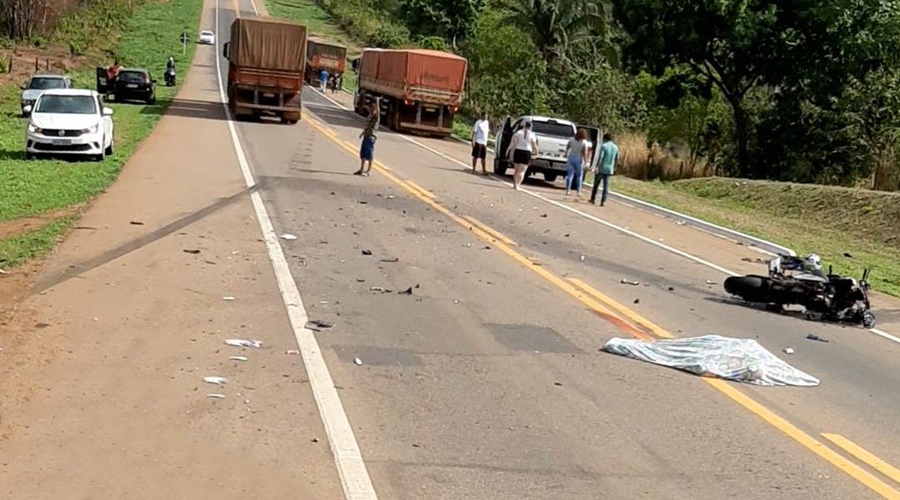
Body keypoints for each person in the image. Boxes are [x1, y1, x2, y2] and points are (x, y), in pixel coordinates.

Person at [506, 121, 539, 190]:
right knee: (522, 171)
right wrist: (536, 152)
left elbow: (513, 143)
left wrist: (508, 150)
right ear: (530, 127)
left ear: (524, 126)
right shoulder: (532, 135)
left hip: (518, 151)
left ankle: (515, 183)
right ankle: (518, 184)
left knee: (516, 170)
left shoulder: (518, 133)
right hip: (526, 152)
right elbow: (534, 145)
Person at [590, 132, 619, 206]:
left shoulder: (604, 146)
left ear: (605, 139)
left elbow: (601, 158)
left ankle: (593, 198)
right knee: (606, 186)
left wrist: (597, 167)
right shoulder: (616, 147)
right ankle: (603, 201)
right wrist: (615, 167)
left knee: (596, 184)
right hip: (609, 169)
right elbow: (617, 159)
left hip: (602, 168)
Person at [355, 100, 379, 177]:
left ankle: (368, 171)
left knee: (369, 154)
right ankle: (361, 169)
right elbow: (367, 126)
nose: (367, 109)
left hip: (371, 136)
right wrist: (362, 133)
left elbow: (378, 112)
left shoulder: (376, 117)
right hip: (366, 135)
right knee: (363, 154)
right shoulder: (370, 115)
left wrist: (377, 102)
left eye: (369, 108)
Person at [565, 129, 590, 196]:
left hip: (571, 156)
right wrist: (586, 161)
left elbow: (567, 147)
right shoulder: (584, 142)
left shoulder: (572, 140)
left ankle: (568, 190)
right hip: (579, 158)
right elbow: (584, 153)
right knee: (579, 175)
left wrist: (566, 153)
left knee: (569, 175)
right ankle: (578, 191)